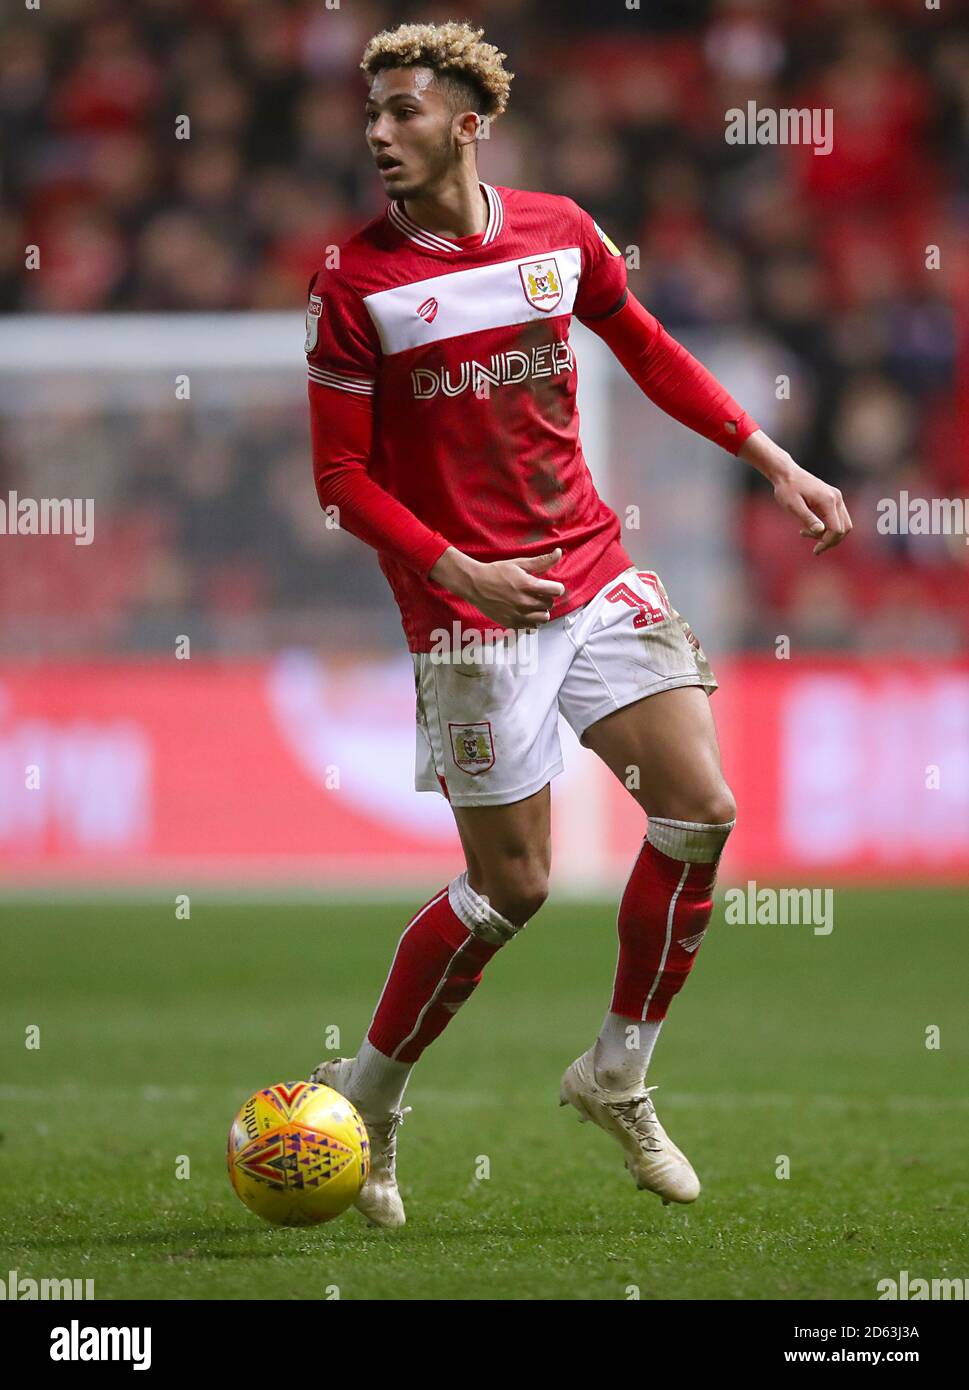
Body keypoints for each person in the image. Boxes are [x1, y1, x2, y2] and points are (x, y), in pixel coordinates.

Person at [305, 20, 851, 1228]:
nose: (380, 133)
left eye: (403, 111)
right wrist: (464, 570)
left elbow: (649, 352)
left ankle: (617, 1072)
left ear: (467, 124)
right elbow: (341, 482)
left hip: (591, 568)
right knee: (513, 889)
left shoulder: (558, 232)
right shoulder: (351, 284)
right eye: (372, 115)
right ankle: (373, 1098)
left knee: (702, 811)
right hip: (465, 612)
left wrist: (774, 461)